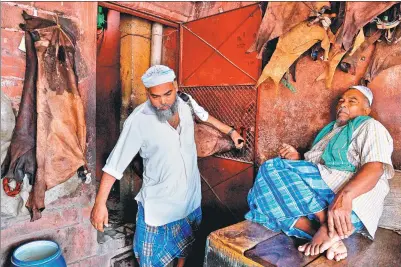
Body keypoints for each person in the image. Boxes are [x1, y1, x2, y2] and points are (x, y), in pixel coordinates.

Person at [90, 65, 244, 267]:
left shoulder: (186, 103)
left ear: (176, 87)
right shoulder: (139, 121)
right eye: (155, 96)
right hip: (159, 209)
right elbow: (115, 164)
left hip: (190, 199)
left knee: (186, 246)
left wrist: (231, 132)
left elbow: (205, 116)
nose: (163, 102)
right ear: (147, 93)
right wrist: (100, 204)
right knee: (150, 260)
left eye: (168, 93)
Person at [246, 85, 394, 261]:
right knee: (258, 203)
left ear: (366, 109)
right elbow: (319, 166)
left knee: (271, 168)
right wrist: (298, 158)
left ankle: (326, 226)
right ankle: (325, 234)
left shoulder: (369, 126)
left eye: (351, 101)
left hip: (351, 204)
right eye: (341, 100)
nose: (343, 104)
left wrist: (344, 198)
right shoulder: (330, 132)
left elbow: (374, 168)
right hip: (326, 198)